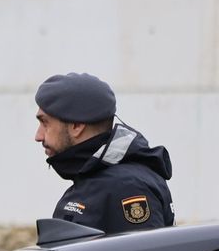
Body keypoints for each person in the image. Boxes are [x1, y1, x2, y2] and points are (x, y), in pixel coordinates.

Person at [34, 72, 174, 234]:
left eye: (45, 123)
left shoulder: (128, 187)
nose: (38, 136)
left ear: (77, 126)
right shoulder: (96, 178)